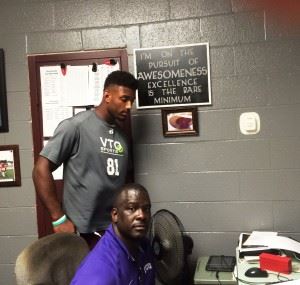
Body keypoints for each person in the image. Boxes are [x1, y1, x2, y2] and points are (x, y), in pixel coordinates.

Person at [32, 70, 139, 248]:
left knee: (112, 276)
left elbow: (124, 182)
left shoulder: (122, 137)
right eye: (124, 99)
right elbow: (40, 169)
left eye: (131, 101)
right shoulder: (76, 126)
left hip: (113, 229)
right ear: (107, 95)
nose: (129, 106)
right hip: (80, 231)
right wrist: (58, 218)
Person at [70, 183, 155, 285]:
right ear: (115, 215)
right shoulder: (101, 272)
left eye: (146, 209)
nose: (142, 215)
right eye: (132, 208)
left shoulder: (144, 246)